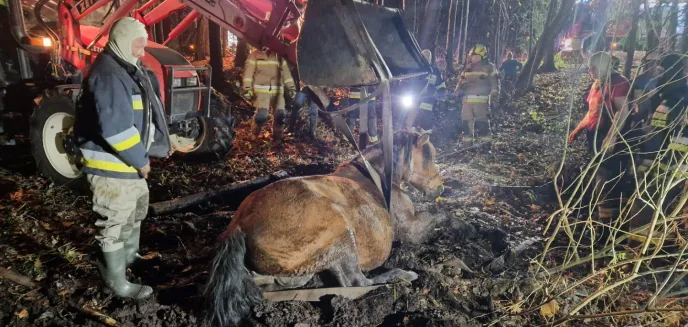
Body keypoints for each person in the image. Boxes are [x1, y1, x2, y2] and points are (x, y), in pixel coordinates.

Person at [75, 17, 173, 299]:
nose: (142, 53)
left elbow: (142, 116)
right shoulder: (108, 74)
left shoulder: (126, 68)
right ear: (121, 41)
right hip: (112, 165)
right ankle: (116, 281)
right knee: (115, 221)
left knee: (134, 211)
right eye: (138, 46)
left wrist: (151, 147)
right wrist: (140, 160)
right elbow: (116, 129)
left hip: (127, 161)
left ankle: (131, 257)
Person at [629, 53, 688, 240]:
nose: (658, 76)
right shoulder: (675, 97)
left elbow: (655, 141)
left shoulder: (671, 101)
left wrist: (641, 168)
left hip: (662, 172)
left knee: (643, 217)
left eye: (661, 72)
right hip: (674, 174)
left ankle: (638, 260)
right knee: (665, 220)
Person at [570, 52, 632, 223]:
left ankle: (605, 223)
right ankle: (592, 214)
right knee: (594, 174)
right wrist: (578, 129)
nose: (590, 70)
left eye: (593, 67)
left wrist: (611, 136)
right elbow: (592, 111)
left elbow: (623, 112)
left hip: (609, 138)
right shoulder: (597, 84)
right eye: (589, 67)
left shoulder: (618, 82)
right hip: (594, 137)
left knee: (605, 178)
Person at [242, 48, 297, 144]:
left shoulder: (279, 56)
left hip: (278, 90)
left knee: (280, 115)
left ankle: (277, 137)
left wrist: (291, 87)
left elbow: (286, 74)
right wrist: (247, 89)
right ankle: (254, 133)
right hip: (261, 90)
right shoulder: (255, 55)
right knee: (262, 115)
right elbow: (248, 73)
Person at [454, 44, 499, 146]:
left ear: (483, 56)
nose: (473, 58)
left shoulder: (489, 67)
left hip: (481, 102)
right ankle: (466, 148)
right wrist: (456, 92)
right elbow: (460, 82)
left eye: (476, 56)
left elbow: (495, 85)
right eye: (472, 56)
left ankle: (486, 148)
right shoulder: (468, 68)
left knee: (482, 125)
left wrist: (494, 100)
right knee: (466, 126)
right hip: (466, 102)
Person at [404, 49, 446, 131]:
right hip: (414, 101)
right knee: (409, 125)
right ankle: (410, 139)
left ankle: (425, 140)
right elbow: (408, 84)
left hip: (427, 103)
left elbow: (441, 86)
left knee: (425, 126)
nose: (425, 60)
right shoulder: (415, 70)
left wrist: (442, 100)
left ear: (430, 59)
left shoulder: (435, 72)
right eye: (423, 58)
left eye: (427, 58)